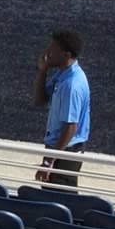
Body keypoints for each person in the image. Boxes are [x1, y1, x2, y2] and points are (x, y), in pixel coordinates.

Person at [32, 28, 91, 187]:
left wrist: (49, 162)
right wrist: (43, 71)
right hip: (58, 149)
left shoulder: (71, 85)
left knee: (61, 198)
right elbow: (40, 100)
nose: (47, 51)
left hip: (65, 153)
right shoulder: (63, 74)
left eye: (52, 48)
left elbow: (71, 127)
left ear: (66, 54)